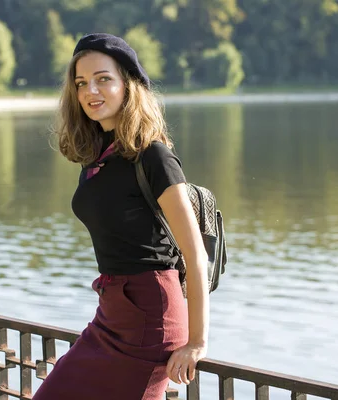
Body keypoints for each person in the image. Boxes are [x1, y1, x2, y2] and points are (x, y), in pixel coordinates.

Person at [33, 33, 210, 399]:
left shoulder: (154, 156)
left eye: (103, 79)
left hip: (151, 317)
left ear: (128, 84)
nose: (89, 91)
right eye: (81, 83)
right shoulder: (98, 156)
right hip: (111, 314)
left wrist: (197, 342)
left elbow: (196, 256)